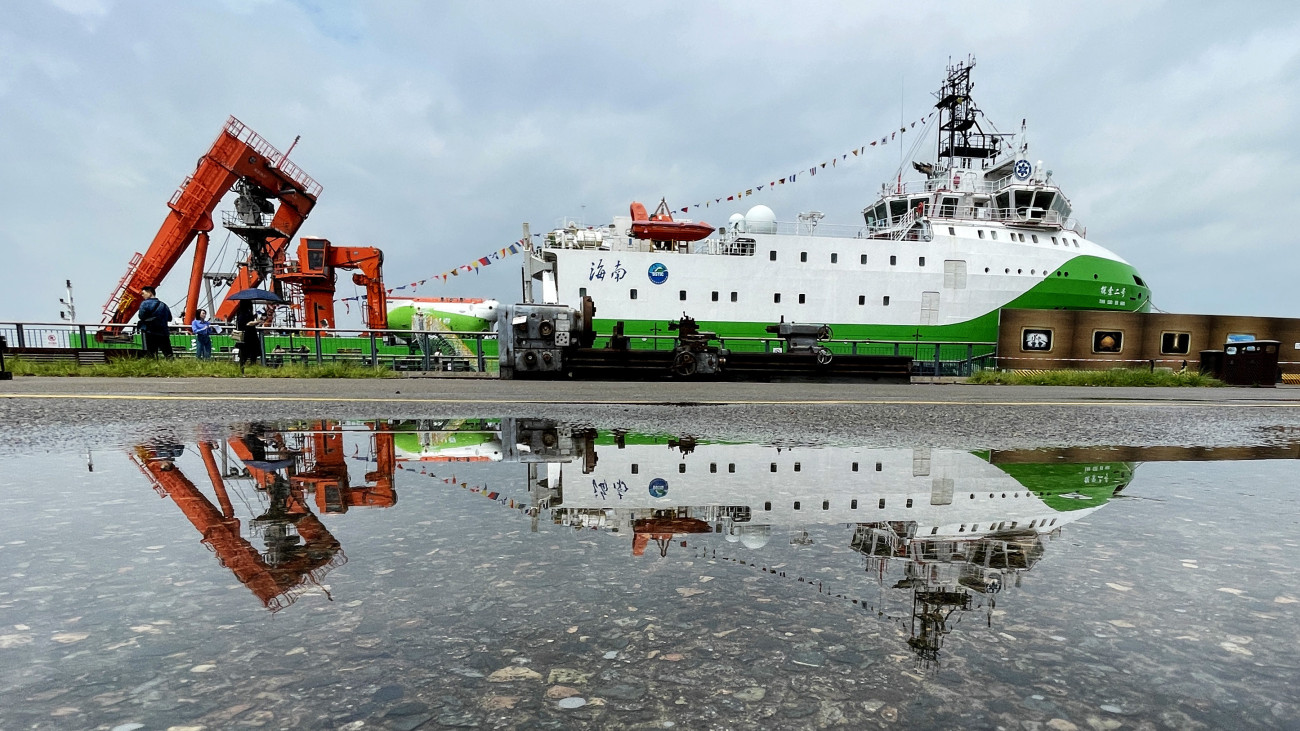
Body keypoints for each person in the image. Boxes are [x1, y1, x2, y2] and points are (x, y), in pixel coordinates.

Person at [137, 286, 174, 358]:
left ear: (150, 293)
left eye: (143, 293)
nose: (142, 295)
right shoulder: (164, 305)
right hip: (163, 332)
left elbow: (141, 316)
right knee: (168, 354)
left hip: (150, 332)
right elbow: (169, 318)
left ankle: (154, 368)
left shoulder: (145, 304)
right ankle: (173, 367)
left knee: (151, 354)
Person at [234, 300, 262, 372]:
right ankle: (252, 368)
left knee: (245, 353)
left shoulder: (240, 312)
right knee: (251, 352)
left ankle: (242, 368)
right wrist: (257, 321)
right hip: (249, 334)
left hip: (245, 334)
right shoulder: (246, 313)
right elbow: (248, 323)